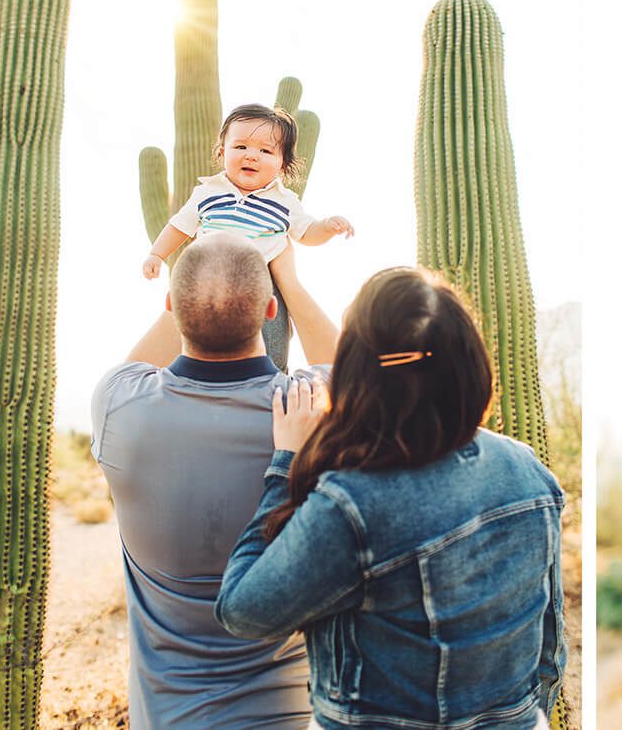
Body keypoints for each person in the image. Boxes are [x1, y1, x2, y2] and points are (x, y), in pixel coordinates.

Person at [214, 267, 565, 730]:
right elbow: (548, 647)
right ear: (470, 364)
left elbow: (241, 611)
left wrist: (286, 463)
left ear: (359, 374)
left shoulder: (353, 506)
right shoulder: (530, 472)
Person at [92, 232, 339, 728]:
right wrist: (288, 277)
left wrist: (191, 277)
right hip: (289, 716)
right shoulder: (310, 411)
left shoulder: (119, 407)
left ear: (170, 306)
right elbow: (354, 369)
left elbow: (137, 363)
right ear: (272, 310)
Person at [142, 103, 351, 361]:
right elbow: (179, 225)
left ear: (282, 164)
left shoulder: (285, 202)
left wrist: (327, 227)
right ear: (222, 152)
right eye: (240, 147)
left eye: (265, 150)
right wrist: (156, 255)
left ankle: (271, 375)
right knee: (195, 340)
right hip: (209, 281)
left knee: (271, 343)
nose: (251, 155)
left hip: (262, 287)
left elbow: (306, 232)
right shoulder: (208, 192)